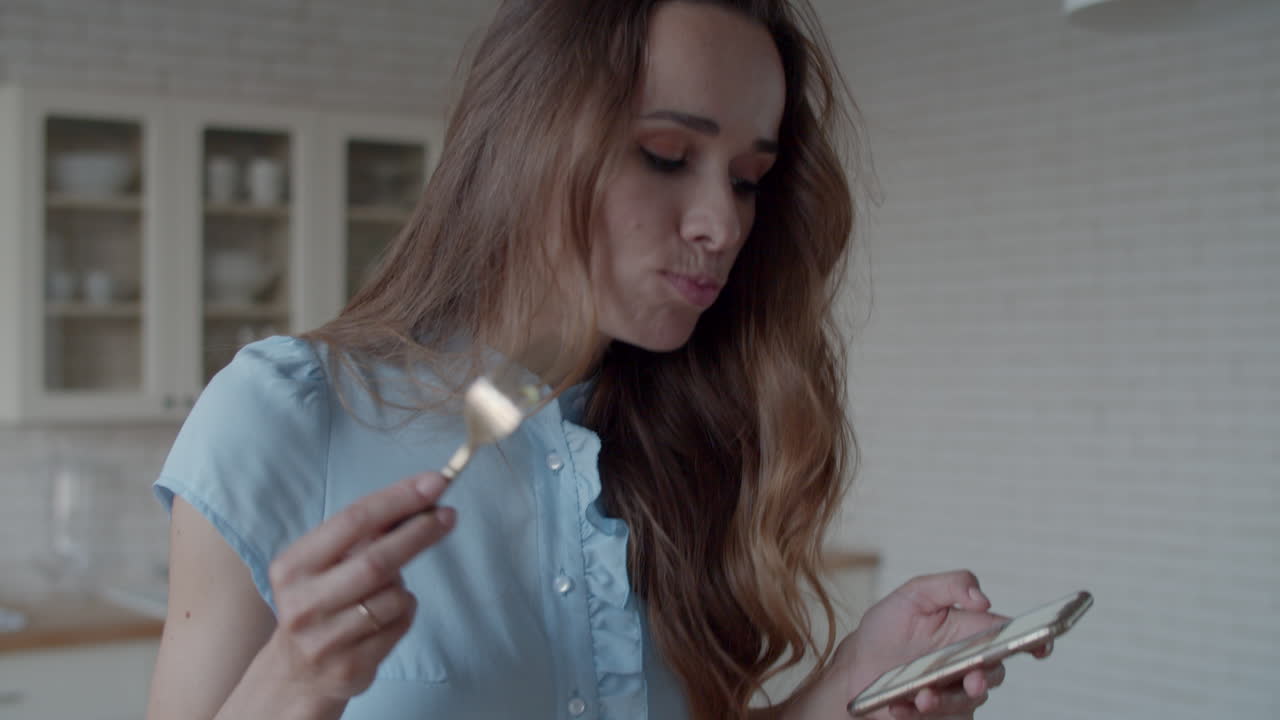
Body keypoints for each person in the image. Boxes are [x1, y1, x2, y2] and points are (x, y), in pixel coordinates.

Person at [146, 1, 1047, 719]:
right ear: (529, 142)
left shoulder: (686, 432)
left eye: (747, 178)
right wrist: (298, 680)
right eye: (665, 156)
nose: (722, 225)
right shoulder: (288, 414)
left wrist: (850, 689)